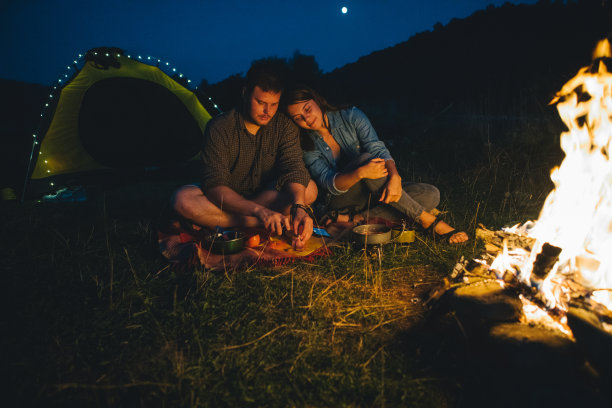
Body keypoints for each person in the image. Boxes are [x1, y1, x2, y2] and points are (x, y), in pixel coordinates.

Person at [282, 86, 468, 244]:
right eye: (298, 118)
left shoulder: (352, 115)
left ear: (316, 100)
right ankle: (428, 221)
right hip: (340, 200)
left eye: (307, 109)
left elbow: (378, 148)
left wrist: (394, 177)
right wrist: (361, 173)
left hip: (372, 194)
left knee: (430, 194)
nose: (306, 119)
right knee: (365, 160)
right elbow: (328, 182)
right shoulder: (305, 145)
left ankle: (355, 220)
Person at [171, 62, 318, 250]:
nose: (268, 111)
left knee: (309, 189)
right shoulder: (220, 127)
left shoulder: (284, 125)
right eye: (261, 102)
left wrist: (299, 208)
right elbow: (215, 186)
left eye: (274, 104)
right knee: (181, 199)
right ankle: (258, 221)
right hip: (228, 199)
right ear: (245, 93)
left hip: (266, 194)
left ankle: (226, 223)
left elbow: (294, 168)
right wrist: (260, 212)